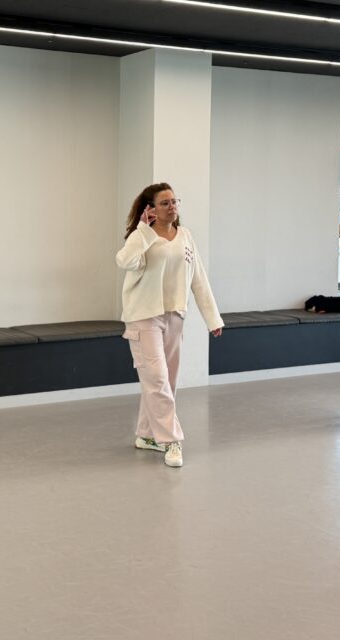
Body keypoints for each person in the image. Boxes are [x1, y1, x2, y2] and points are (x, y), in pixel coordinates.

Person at [116, 183, 223, 468]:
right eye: (165, 203)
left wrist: (212, 318)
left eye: (174, 201)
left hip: (174, 314)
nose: (172, 206)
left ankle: (147, 434)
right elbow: (124, 261)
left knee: (167, 380)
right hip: (144, 317)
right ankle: (171, 440)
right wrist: (144, 231)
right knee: (157, 379)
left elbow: (198, 278)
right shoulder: (142, 237)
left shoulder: (185, 236)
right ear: (150, 209)